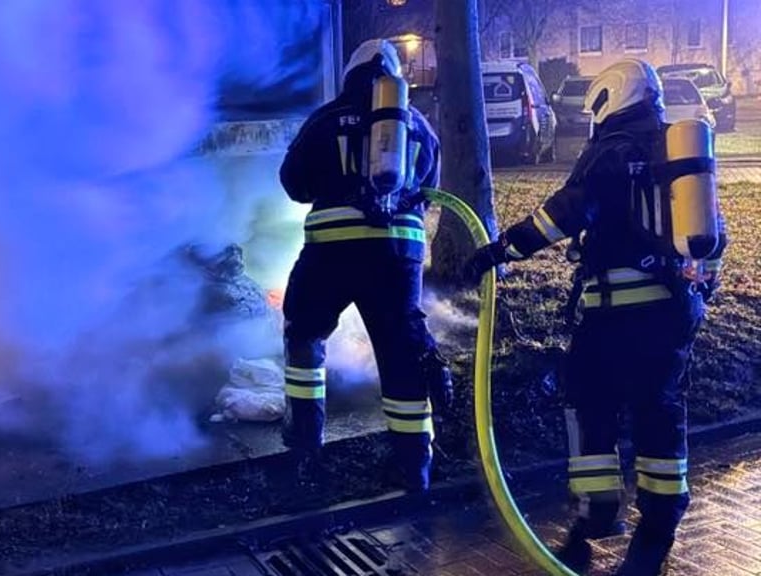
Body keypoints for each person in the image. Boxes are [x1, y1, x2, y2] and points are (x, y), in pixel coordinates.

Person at [465, 58, 727, 575]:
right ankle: (656, 532)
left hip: (612, 314)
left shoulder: (610, 151)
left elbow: (564, 215)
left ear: (609, 98)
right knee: (660, 412)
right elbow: (712, 232)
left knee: (590, 405)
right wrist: (703, 290)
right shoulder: (683, 154)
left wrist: (500, 250)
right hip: (674, 312)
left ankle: (594, 515)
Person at [278, 38, 453, 492]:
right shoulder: (417, 125)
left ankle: (305, 446)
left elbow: (293, 182)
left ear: (350, 74)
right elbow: (430, 189)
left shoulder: (326, 118)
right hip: (397, 257)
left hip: (331, 252)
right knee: (401, 354)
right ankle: (415, 466)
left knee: (305, 334)